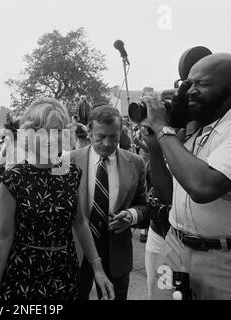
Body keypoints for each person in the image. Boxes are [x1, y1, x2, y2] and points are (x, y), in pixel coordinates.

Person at [0, 97, 114, 300]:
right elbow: (4, 236)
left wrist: (97, 268)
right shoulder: (13, 179)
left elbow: (80, 223)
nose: (50, 138)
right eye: (42, 131)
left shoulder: (72, 173)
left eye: (56, 130)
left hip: (65, 274)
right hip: (23, 275)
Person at [141, 53, 231, 300]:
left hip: (221, 260)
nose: (189, 91)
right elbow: (167, 194)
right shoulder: (196, 129)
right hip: (174, 247)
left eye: (201, 84)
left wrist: (162, 128)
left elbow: (202, 187)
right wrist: (155, 148)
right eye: (187, 83)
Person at [71, 105, 148, 300]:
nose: (107, 143)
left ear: (120, 133)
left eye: (113, 137)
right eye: (100, 137)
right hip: (77, 253)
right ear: (89, 132)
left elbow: (145, 206)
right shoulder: (67, 161)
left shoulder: (136, 163)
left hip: (117, 254)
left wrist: (131, 216)